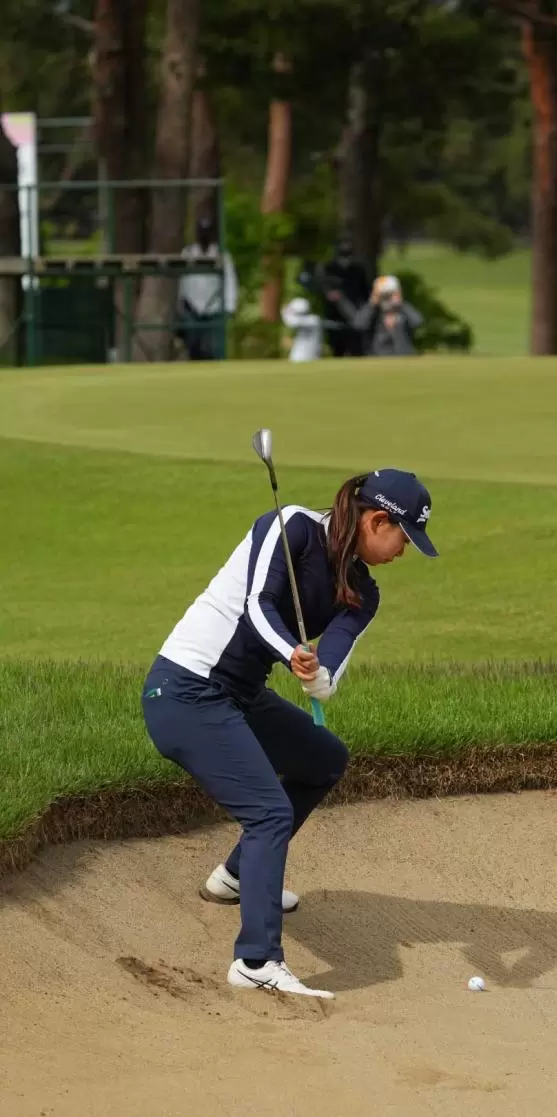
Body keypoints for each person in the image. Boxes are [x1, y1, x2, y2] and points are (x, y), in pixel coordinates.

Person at [141, 469, 438, 999]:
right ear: (376, 519)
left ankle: (235, 879)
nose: (403, 551)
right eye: (404, 537)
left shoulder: (363, 593)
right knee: (269, 812)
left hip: (240, 695)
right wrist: (291, 652)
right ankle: (255, 960)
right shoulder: (292, 526)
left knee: (324, 758)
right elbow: (259, 606)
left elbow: (335, 657)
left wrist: (321, 676)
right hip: (186, 690)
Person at [178, 215, 238, 360]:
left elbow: (230, 281)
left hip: (214, 307)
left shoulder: (222, 254)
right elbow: (181, 281)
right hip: (192, 307)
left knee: (215, 348)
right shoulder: (187, 253)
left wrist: (230, 306)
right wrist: (180, 304)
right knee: (193, 347)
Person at [336, 275, 422, 357]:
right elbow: (358, 324)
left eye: (389, 294)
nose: (386, 298)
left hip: (404, 355)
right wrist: (372, 303)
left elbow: (417, 322)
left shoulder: (403, 311)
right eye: (384, 295)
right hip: (378, 357)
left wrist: (401, 304)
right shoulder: (373, 312)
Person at [317, 236, 371, 357]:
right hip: (335, 316)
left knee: (357, 348)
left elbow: (365, 292)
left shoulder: (358, 270)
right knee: (337, 348)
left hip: (355, 313)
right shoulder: (328, 269)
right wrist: (328, 295)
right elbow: (323, 289)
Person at [280, 296, 325, 362]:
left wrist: (285, 312)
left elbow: (291, 322)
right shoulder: (311, 320)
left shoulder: (313, 320)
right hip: (299, 354)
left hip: (307, 355)